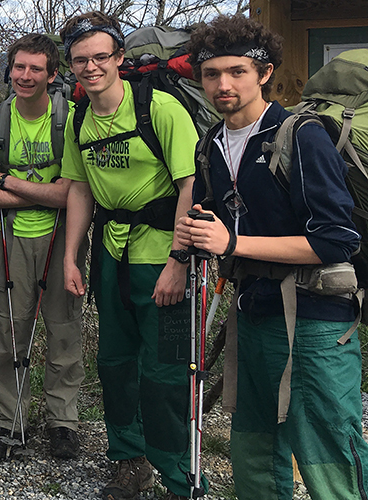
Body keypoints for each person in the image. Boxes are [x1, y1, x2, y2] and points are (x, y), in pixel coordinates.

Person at [177, 15, 368, 500]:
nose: (223, 84)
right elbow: (220, 220)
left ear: (264, 73)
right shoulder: (211, 144)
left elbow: (335, 239)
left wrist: (232, 244)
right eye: (211, 73)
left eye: (237, 71)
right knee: (255, 449)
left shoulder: (300, 136)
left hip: (316, 321)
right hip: (254, 311)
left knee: (327, 449)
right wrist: (196, 235)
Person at [57, 12, 202, 500]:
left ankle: (178, 472)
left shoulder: (160, 109)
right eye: (81, 59)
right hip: (111, 255)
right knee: (115, 364)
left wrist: (179, 260)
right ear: (71, 65)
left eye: (101, 56)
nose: (91, 67)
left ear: (119, 57)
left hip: (163, 255)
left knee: (167, 368)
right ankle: (128, 460)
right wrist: (71, 257)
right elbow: (80, 189)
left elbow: (189, 186)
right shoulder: (79, 117)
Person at [0, 33, 85, 459]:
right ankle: (11, 421)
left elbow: (73, 193)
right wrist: (44, 194)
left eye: (36, 68)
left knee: (64, 328)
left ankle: (62, 422)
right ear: (9, 70)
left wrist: (8, 181)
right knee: (10, 330)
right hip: (11, 236)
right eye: (19, 66)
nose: (25, 75)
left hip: (63, 237)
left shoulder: (70, 119)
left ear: (52, 75)